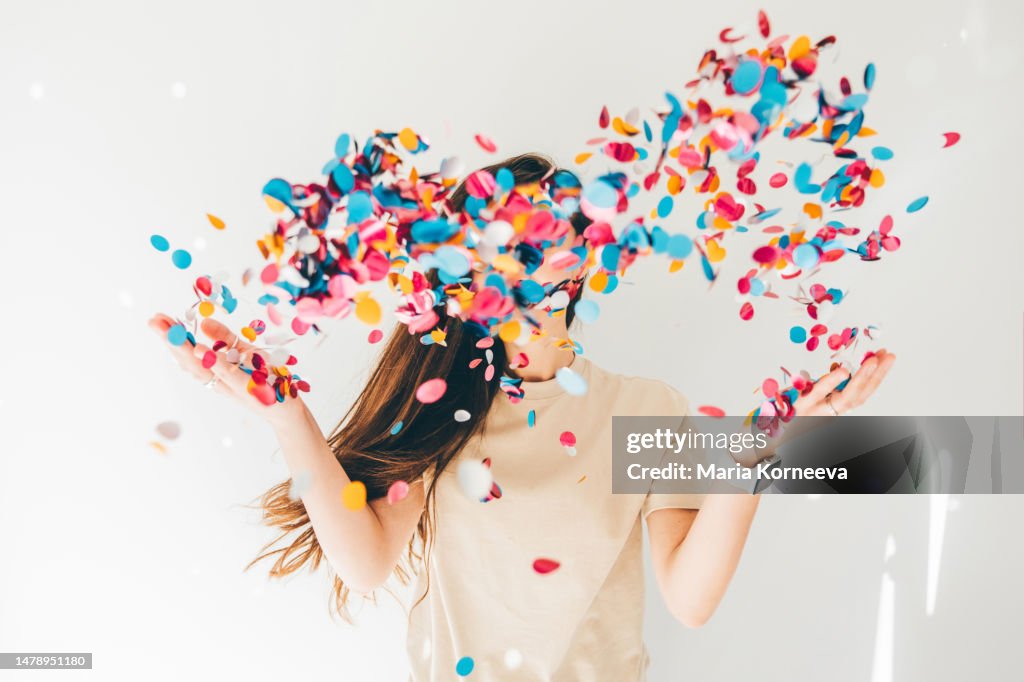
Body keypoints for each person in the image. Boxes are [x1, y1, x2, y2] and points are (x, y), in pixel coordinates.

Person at [148, 153, 896, 681]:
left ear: (584, 257)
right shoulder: (441, 408)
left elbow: (689, 600)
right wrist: (286, 417)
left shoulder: (642, 409)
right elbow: (368, 563)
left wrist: (762, 452)